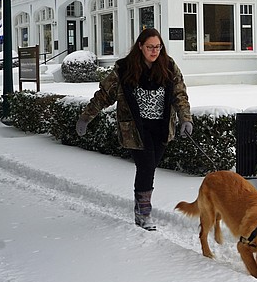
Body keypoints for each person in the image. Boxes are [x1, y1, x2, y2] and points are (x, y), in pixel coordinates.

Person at [75, 28, 193, 231]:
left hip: (161, 127)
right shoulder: (124, 69)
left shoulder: (169, 66)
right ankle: (143, 214)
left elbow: (179, 94)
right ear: (140, 46)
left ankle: (141, 206)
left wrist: (185, 119)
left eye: (158, 47)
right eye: (150, 47)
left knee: (150, 167)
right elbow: (104, 95)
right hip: (135, 129)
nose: (154, 51)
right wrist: (86, 118)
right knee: (146, 166)